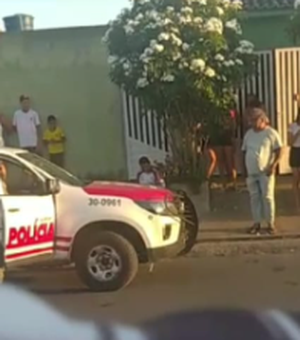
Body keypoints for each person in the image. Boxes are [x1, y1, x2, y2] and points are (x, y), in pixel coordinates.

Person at [242, 108, 282, 235]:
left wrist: (273, 165)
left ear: (263, 119)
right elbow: (244, 151)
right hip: (251, 172)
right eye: (251, 120)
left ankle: (270, 224)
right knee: (254, 198)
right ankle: (257, 223)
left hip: (265, 171)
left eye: (255, 120)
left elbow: (279, 150)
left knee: (267, 197)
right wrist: (244, 169)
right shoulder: (249, 134)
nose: (253, 123)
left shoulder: (271, 133)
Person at [207, 109, 237, 189]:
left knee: (229, 162)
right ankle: (224, 182)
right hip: (218, 138)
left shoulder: (229, 111)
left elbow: (234, 124)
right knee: (221, 161)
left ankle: (233, 182)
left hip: (226, 137)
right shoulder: (215, 113)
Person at [288, 108, 300, 213]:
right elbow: (290, 142)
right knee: (296, 179)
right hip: (295, 151)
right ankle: (297, 204)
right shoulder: (292, 126)